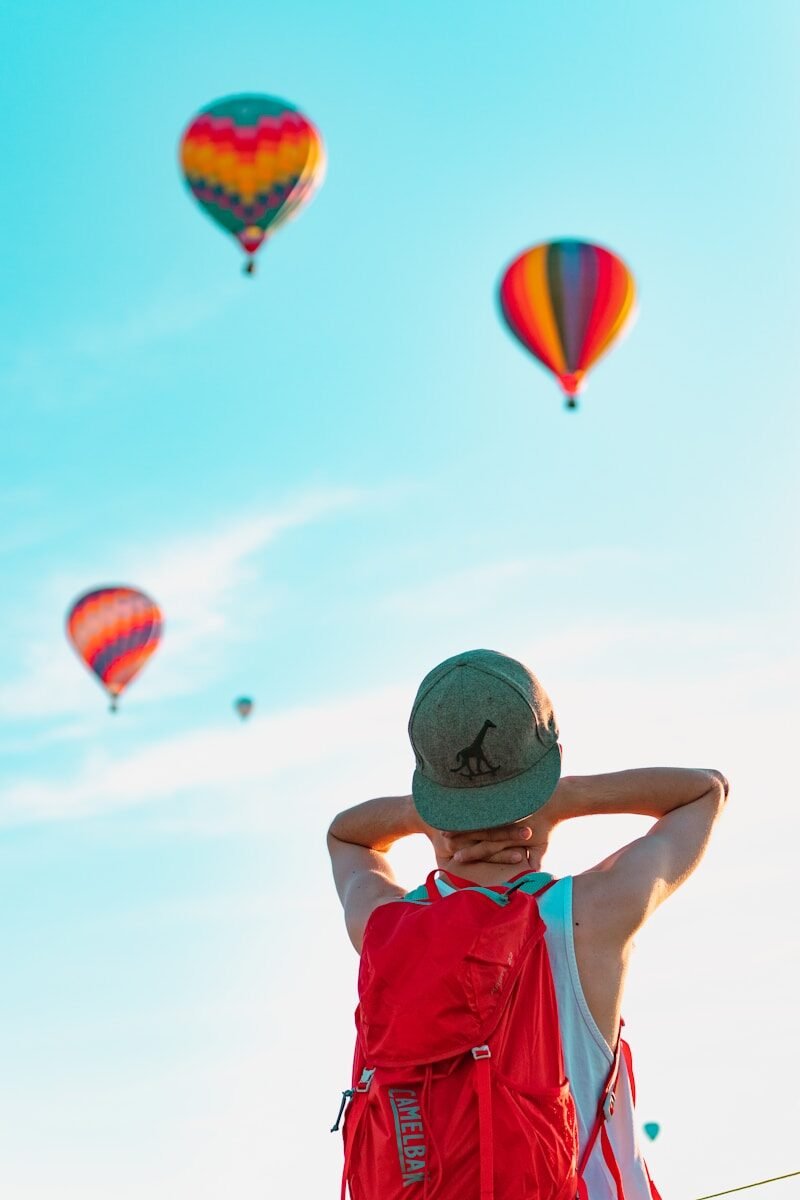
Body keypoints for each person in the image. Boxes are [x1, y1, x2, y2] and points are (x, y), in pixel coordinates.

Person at [328, 649, 728, 1199]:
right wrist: (568, 799)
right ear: (550, 769)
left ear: (428, 792)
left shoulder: (382, 926)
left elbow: (345, 837)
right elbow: (705, 791)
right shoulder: (592, 912)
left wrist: (423, 816)